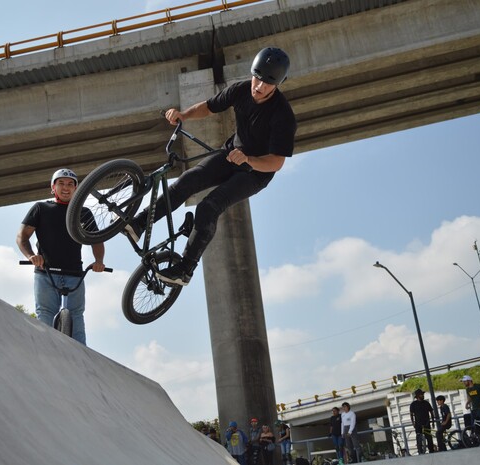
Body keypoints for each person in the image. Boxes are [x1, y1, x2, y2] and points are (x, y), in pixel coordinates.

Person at [123, 47, 296, 286]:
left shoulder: (283, 115)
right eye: (257, 78)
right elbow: (209, 106)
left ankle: (184, 269)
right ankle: (139, 224)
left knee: (208, 207)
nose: (258, 86)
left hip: (255, 172)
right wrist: (183, 115)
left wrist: (248, 160)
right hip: (230, 154)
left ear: (278, 83)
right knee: (186, 181)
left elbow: (276, 162)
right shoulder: (240, 90)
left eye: (267, 83)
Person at [16, 168, 105, 345]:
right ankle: (43, 353)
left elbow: (97, 241)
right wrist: (31, 256)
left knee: (76, 317)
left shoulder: (84, 213)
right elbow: (22, 236)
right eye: (61, 183)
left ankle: (82, 361)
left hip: (75, 274)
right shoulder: (41, 208)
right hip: (45, 273)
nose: (66, 187)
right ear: (53, 188)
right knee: (45, 315)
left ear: (76, 188)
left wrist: (99, 261)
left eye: (70, 184)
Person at [461, 375, 480, 443]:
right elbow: (470, 397)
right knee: (474, 425)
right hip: (474, 409)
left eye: (464, 381)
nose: (464, 383)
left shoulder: (478, 386)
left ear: (469, 381)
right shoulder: (468, 389)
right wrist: (467, 403)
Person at [409, 389, 435, 454]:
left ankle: (431, 450)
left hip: (426, 422)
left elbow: (431, 412)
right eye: (421, 394)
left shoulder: (426, 403)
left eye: (423, 394)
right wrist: (413, 423)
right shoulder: (413, 404)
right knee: (418, 437)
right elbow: (411, 414)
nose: (423, 395)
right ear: (417, 396)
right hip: (418, 423)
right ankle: (420, 451)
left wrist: (433, 421)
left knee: (429, 437)